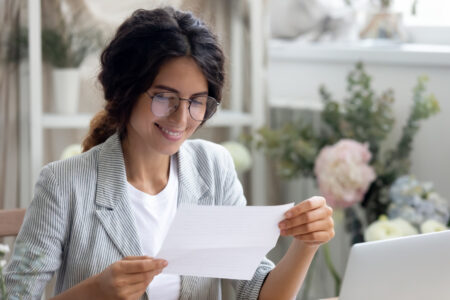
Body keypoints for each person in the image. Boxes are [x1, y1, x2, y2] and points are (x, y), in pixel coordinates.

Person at [5, 7, 334, 300]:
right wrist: (95, 292)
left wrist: (306, 245)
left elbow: (256, 291)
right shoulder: (62, 183)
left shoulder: (214, 168)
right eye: (164, 97)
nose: (181, 117)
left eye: (197, 101)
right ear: (126, 91)